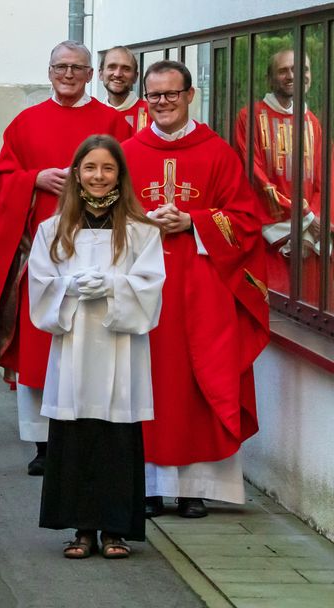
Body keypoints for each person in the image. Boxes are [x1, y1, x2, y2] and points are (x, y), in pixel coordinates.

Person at [123, 60, 269, 519]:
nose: (162, 103)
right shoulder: (126, 151)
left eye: (171, 94)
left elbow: (246, 220)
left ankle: (193, 489)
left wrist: (194, 220)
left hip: (202, 287)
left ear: (190, 95)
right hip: (141, 283)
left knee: (196, 380)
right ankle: (143, 487)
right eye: (154, 95)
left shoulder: (218, 153)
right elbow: (101, 208)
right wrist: (141, 223)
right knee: (142, 381)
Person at [0, 41, 130, 476]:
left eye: (77, 67)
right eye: (60, 67)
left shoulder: (111, 122)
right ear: (49, 72)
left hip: (101, 251)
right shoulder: (27, 123)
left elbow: (131, 177)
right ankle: (43, 443)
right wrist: (33, 178)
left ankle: (89, 437)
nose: (68, 74)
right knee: (43, 345)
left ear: (90, 75)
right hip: (43, 254)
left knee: (93, 345)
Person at [28, 135, 165, 560]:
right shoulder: (54, 229)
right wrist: (69, 287)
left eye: (107, 168)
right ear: (76, 174)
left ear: (120, 176)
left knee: (117, 438)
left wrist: (112, 285)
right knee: (75, 436)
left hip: (120, 348)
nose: (98, 176)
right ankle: (81, 530)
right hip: (73, 347)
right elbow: (39, 283)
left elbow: (150, 285)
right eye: (90, 168)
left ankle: (115, 530)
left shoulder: (142, 231)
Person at [234, 49, 322, 299]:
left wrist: (312, 223)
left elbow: (321, 180)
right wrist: (305, 217)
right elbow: (254, 175)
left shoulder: (312, 121)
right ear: (270, 79)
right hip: (268, 233)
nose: (292, 75)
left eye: (301, 69)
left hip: (307, 233)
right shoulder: (249, 116)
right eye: (283, 70)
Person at [99, 46, 149, 131]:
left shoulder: (150, 113)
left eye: (126, 69)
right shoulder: (94, 115)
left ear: (135, 77)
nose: (118, 74)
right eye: (112, 67)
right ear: (101, 74)